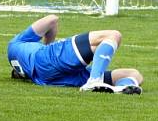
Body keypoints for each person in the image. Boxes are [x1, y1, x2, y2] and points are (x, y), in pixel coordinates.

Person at [7, 15, 144, 94]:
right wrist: (49, 44)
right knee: (114, 35)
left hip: (53, 79)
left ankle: (123, 88)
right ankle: (94, 81)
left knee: (134, 74)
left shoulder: (21, 59)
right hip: (47, 59)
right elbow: (52, 20)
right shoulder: (16, 43)